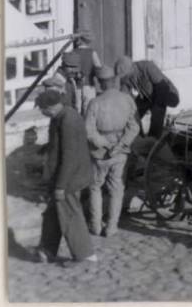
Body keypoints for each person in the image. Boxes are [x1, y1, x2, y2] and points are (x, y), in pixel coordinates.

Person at [32, 89, 96, 266]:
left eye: (42, 109)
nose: (41, 112)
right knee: (52, 214)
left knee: (70, 216)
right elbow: (60, 146)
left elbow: (70, 157)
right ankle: (47, 250)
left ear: (50, 107)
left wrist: (61, 186)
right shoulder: (60, 116)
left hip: (69, 179)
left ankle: (85, 255)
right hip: (62, 176)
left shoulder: (68, 120)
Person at [84, 65, 140, 238]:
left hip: (99, 152)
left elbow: (89, 131)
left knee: (95, 188)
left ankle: (95, 226)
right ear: (114, 80)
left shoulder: (95, 103)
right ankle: (111, 227)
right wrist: (121, 144)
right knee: (117, 188)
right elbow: (134, 126)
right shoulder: (127, 99)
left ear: (99, 83)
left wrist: (105, 144)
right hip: (120, 152)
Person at [114, 56, 179, 137]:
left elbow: (162, 87)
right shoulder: (126, 76)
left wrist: (154, 106)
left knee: (157, 109)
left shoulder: (147, 66)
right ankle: (138, 137)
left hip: (167, 93)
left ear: (131, 68)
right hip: (147, 96)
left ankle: (153, 139)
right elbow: (124, 96)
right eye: (124, 77)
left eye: (126, 75)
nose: (126, 78)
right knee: (133, 111)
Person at [60, 31, 101, 115]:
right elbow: (98, 68)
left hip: (76, 85)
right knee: (88, 110)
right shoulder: (92, 52)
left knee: (76, 108)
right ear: (88, 42)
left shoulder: (73, 52)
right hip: (89, 85)